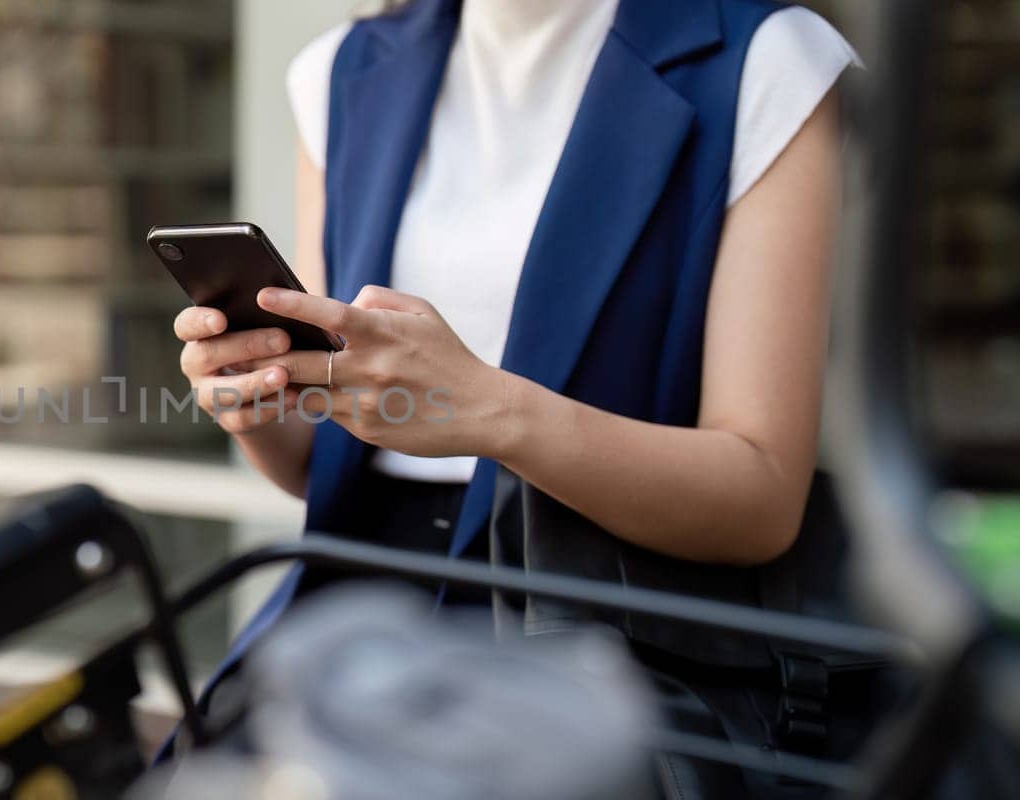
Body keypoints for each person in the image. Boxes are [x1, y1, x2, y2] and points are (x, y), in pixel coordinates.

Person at [172, 0, 860, 796]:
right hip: (359, 627)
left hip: (596, 654)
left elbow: (761, 495)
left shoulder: (769, 60)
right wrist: (256, 401)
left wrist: (492, 412)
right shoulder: (341, 71)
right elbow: (324, 458)